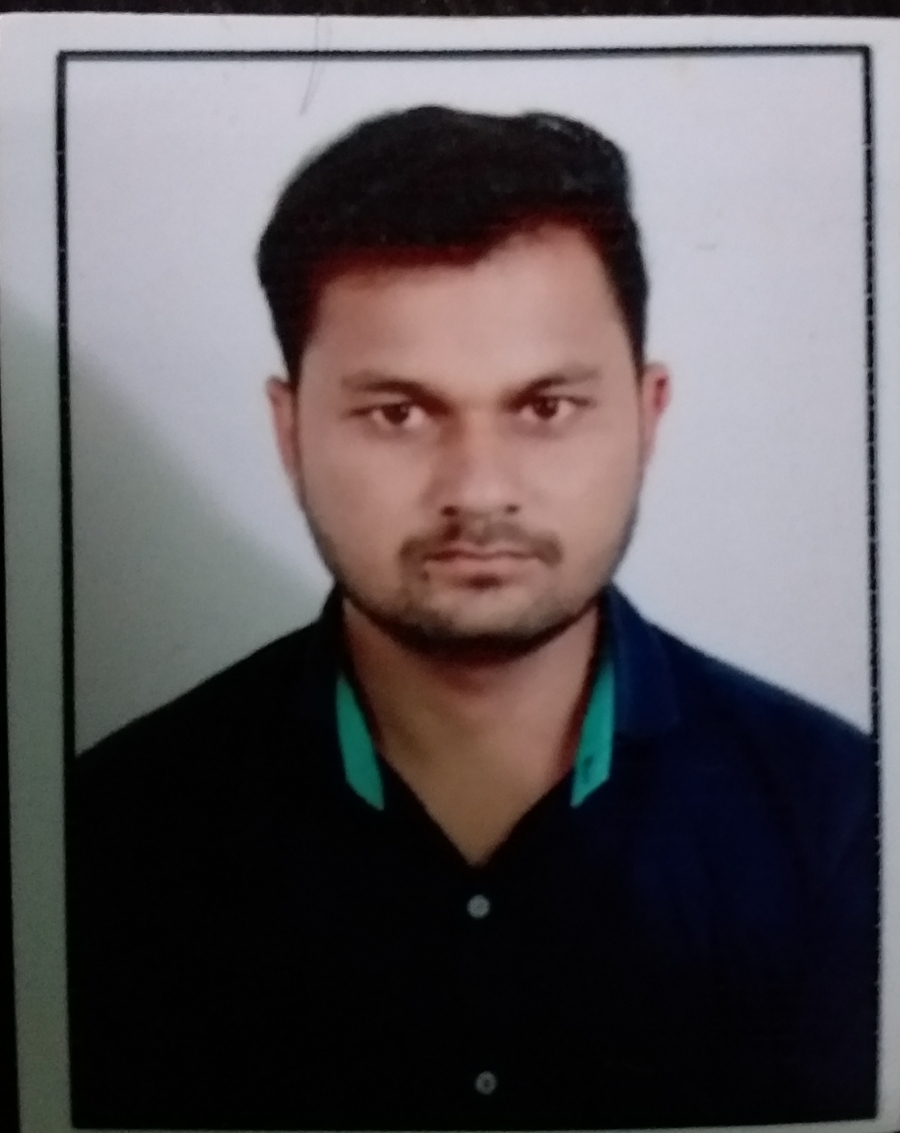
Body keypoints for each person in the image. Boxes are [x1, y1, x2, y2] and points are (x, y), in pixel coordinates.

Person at [67, 106, 877, 1131]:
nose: (479, 489)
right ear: (290, 431)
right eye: (399, 412)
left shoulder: (843, 818)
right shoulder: (105, 838)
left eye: (545, 407)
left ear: (648, 414)